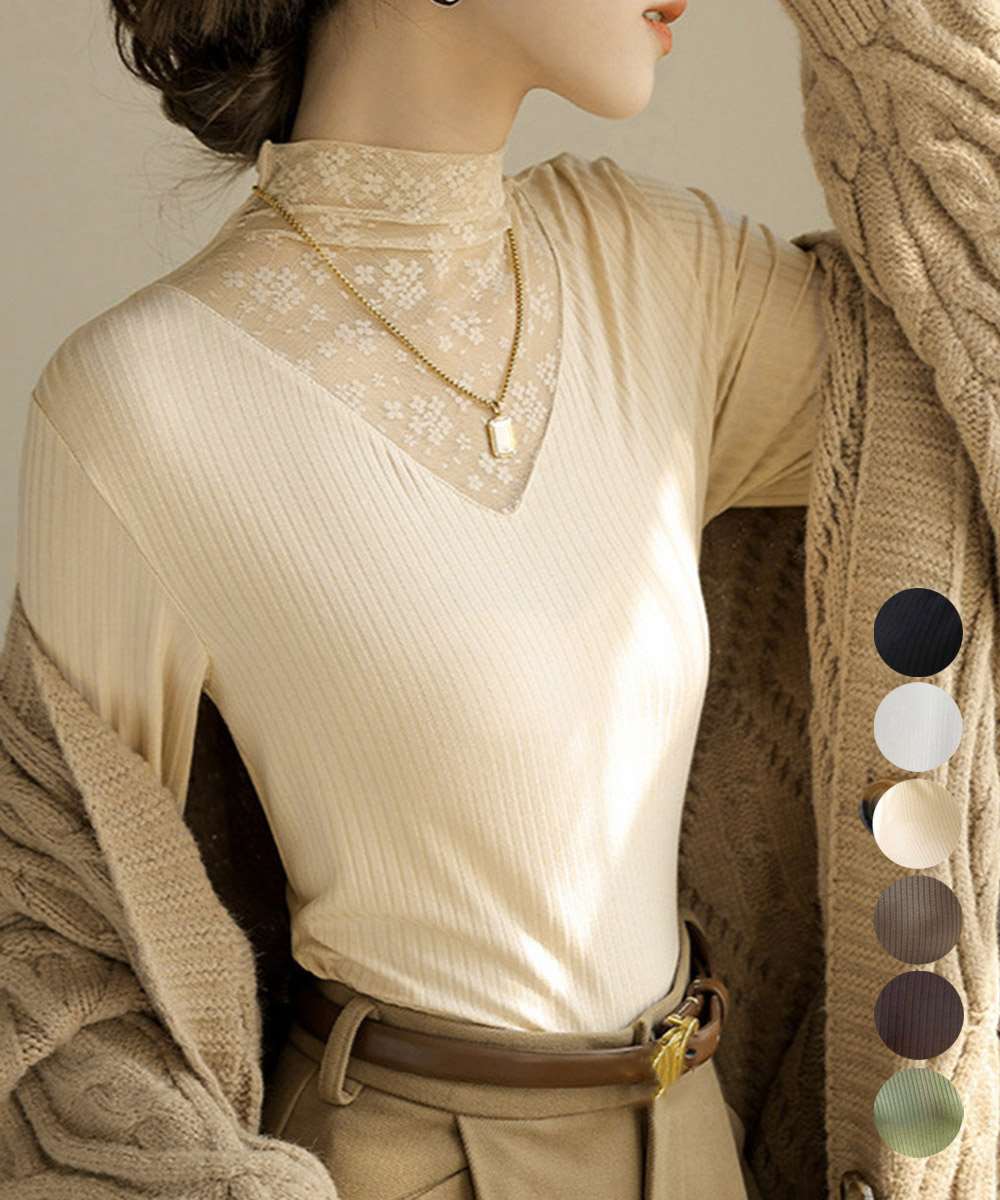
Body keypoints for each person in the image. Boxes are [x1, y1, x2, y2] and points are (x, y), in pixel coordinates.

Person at [15, 0, 828, 1195]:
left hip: (693, 1137)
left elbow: (967, 377)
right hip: (398, 1162)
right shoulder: (139, 401)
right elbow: (55, 946)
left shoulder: (659, 272)